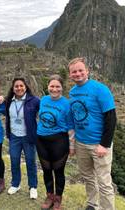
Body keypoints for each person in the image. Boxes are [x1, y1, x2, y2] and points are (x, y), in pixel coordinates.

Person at [68, 57, 117, 210]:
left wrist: (104, 144)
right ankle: (92, 204)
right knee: (88, 177)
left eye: (80, 70)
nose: (78, 74)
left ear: (87, 71)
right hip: (81, 142)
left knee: (104, 182)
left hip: (99, 144)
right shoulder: (72, 92)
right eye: (74, 72)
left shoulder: (100, 89)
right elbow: (74, 117)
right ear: (70, 75)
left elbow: (111, 118)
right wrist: (73, 143)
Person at [36, 75, 75, 210]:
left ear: (62, 88)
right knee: (46, 170)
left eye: (57, 86)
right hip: (41, 140)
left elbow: (70, 126)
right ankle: (49, 196)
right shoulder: (44, 100)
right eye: (52, 86)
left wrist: (72, 146)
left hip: (59, 141)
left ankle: (58, 199)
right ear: (48, 87)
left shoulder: (66, 104)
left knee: (58, 171)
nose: (54, 89)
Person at [5, 78, 40, 199]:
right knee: (14, 161)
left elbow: (43, 113)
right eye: (16, 86)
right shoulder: (9, 101)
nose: (19, 88)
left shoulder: (34, 101)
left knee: (30, 162)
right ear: (13, 88)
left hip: (28, 137)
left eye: (21, 86)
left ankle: (33, 187)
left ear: (25, 87)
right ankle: (15, 184)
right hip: (14, 137)